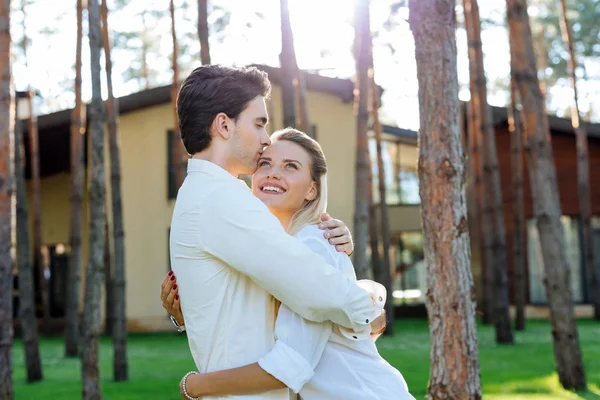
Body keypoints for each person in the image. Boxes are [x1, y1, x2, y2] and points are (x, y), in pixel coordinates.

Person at [167, 65, 383, 400]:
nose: (266, 139)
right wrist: (373, 312)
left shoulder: (204, 194)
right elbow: (310, 282)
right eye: (259, 123)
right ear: (224, 125)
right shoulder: (220, 198)